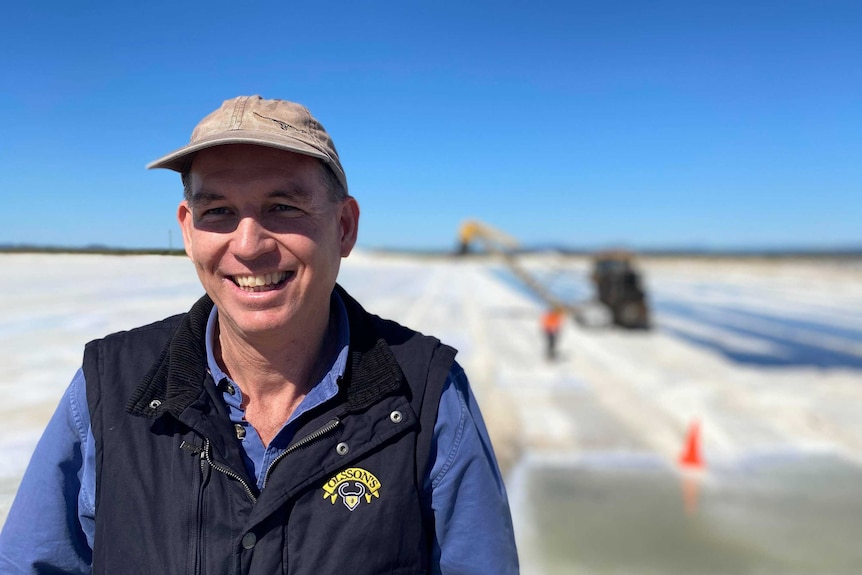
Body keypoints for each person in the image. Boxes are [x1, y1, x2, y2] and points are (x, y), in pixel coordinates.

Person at [0, 96, 519, 574]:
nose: (248, 246)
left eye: (283, 208)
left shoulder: (426, 395)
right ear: (187, 228)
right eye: (218, 212)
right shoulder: (109, 388)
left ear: (344, 227)